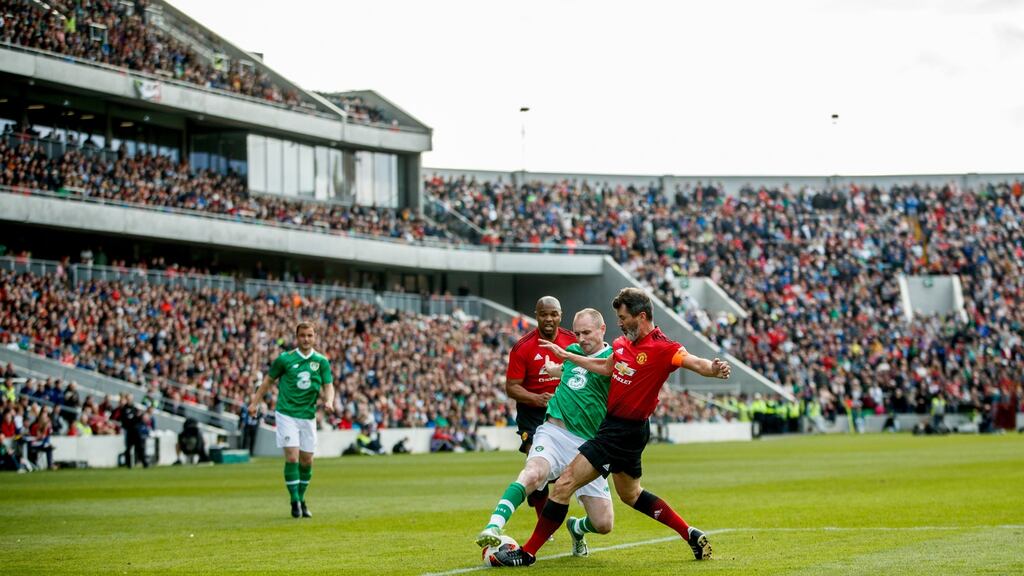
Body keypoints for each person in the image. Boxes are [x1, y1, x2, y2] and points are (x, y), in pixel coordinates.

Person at [496, 287, 731, 567]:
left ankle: (528, 553)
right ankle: (689, 533)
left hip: (619, 432)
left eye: (623, 317)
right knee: (632, 495)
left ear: (641, 316)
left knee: (564, 485)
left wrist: (713, 369)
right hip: (628, 431)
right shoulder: (621, 345)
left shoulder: (664, 348)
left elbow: (695, 362)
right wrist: (569, 357)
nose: (619, 323)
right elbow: (605, 368)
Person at [476, 308, 614, 558]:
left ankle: (576, 527)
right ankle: (494, 525)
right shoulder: (572, 351)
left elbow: (602, 372)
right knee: (532, 473)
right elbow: (570, 371)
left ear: (602, 330)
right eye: (578, 333)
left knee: (603, 523)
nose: (581, 338)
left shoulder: (612, 359)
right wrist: (553, 369)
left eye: (587, 333)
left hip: (589, 445)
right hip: (553, 432)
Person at [249, 321, 334, 519]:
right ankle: (294, 501)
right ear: (297, 337)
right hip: (286, 413)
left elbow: (328, 385)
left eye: (310, 335)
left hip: (308, 416)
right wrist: (255, 403)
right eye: (303, 335)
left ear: (314, 337)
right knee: (293, 458)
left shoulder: (321, 361)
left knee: (307, 461)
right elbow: (268, 381)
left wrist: (329, 400)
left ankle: (302, 498)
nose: (306, 339)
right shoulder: (285, 359)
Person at [505, 296, 577, 518]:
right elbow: (511, 387)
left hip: (565, 412)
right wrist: (536, 398)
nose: (548, 319)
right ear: (536, 315)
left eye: (553, 314)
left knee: (564, 470)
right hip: (533, 414)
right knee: (536, 466)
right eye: (544, 314)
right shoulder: (523, 347)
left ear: (560, 315)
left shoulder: (572, 342)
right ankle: (542, 520)